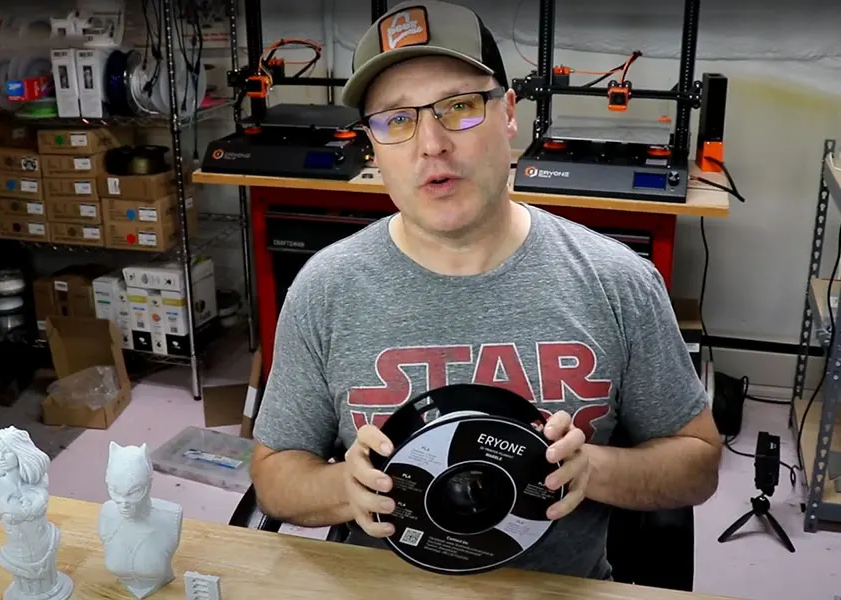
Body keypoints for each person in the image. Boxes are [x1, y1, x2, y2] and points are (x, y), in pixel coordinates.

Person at [249, 0, 722, 580]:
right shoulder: (325, 290)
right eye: (396, 120)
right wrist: (340, 489)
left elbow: (698, 463)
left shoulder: (617, 281)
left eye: (459, 107)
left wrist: (593, 470)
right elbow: (273, 475)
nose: (431, 144)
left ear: (509, 115)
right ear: (372, 144)